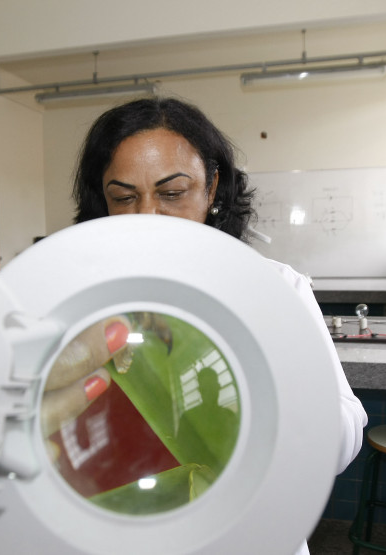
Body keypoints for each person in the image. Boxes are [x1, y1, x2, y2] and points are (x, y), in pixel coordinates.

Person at [45, 96, 368, 553]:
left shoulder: (274, 289)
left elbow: (343, 434)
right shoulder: (79, 302)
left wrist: (260, 397)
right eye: (124, 197)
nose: (147, 217)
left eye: (172, 193)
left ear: (212, 187)